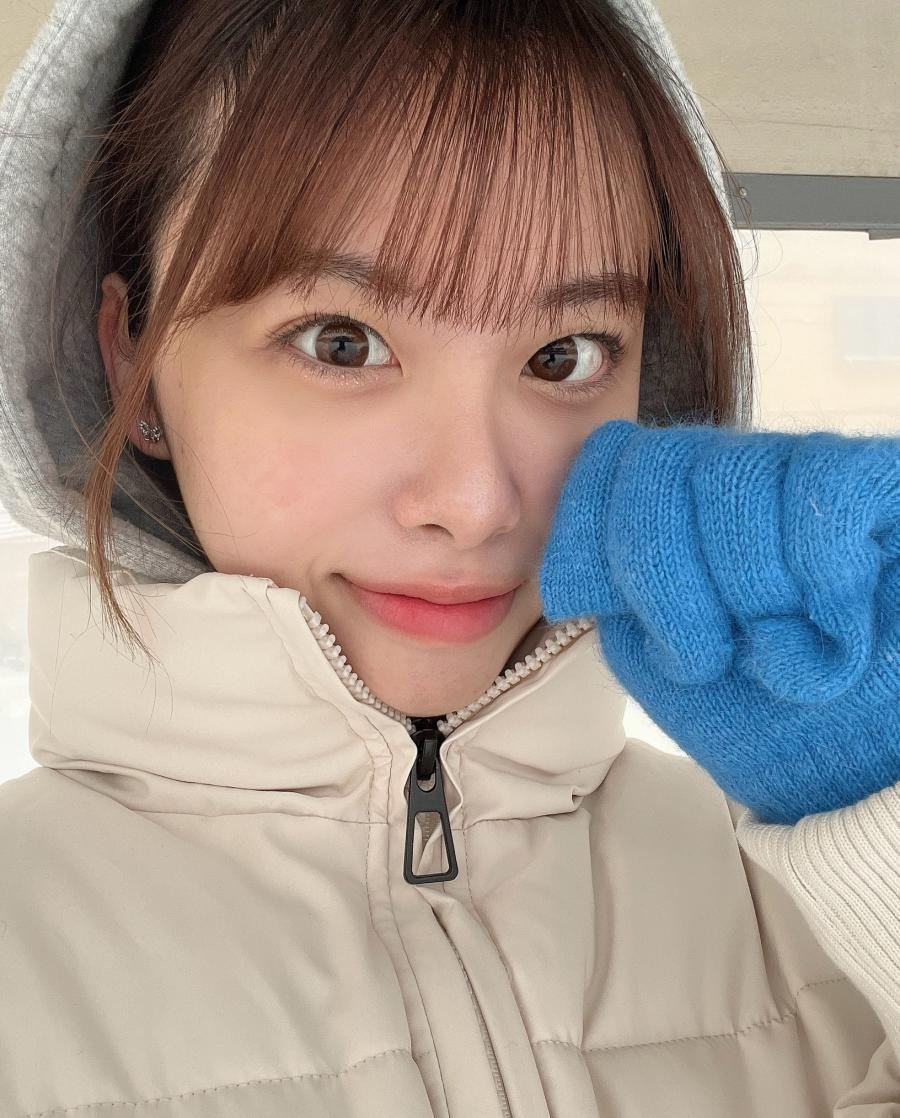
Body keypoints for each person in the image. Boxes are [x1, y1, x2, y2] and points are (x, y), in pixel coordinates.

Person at [0, 0, 897, 1113]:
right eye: (342, 343)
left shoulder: (817, 898)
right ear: (132, 356)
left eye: (563, 355)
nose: (475, 504)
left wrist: (880, 828)